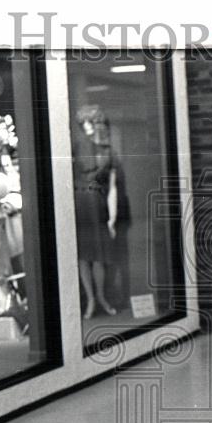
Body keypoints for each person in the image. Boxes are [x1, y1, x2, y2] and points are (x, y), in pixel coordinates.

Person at [73, 104, 119, 319]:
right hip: (79, 204)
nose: (88, 126)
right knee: (83, 256)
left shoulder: (106, 151)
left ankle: (100, 297)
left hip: (97, 205)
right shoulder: (75, 149)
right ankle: (90, 298)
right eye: (84, 123)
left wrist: (112, 218)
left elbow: (113, 187)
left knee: (99, 256)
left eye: (92, 122)